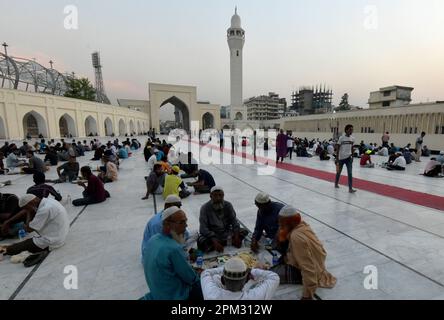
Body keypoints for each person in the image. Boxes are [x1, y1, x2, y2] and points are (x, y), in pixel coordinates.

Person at [141, 206, 203, 300]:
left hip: (157, 291)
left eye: (185, 221)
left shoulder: (153, 239)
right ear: (167, 224)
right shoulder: (173, 248)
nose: (186, 225)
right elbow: (190, 278)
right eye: (182, 222)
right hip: (174, 296)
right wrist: (200, 275)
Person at [276, 205, 336, 300]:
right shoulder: (302, 225)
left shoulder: (296, 237)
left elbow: (308, 267)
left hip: (310, 273)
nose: (280, 224)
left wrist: (307, 295)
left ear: (289, 222)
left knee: (272, 275)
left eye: (282, 222)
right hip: (319, 266)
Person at [1, 194, 69, 257]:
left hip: (52, 241)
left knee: (13, 249)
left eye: (26, 208)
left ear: (31, 203)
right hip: (59, 233)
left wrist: (29, 212)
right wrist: (8, 222)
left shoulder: (44, 210)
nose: (26, 210)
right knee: (24, 242)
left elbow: (29, 229)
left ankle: (7, 248)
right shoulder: (49, 201)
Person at [201, 257, 280, 300]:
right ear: (245, 281)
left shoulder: (211, 294)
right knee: (260, 280)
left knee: (214, 277)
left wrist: (225, 269)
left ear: (223, 280)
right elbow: (274, 277)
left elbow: (205, 273)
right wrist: (251, 270)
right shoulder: (255, 296)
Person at [197, 186, 247, 253]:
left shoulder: (228, 205)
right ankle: (224, 243)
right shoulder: (205, 208)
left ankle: (224, 243)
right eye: (215, 195)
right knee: (201, 242)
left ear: (223, 195)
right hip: (213, 235)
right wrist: (214, 241)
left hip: (227, 233)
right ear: (210, 196)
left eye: (220, 195)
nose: (218, 198)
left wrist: (236, 237)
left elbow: (234, 221)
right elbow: (203, 228)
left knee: (244, 231)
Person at [141, 195, 183, 260]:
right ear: (167, 206)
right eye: (178, 206)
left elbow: (184, 234)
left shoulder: (171, 216)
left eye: (180, 206)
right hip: (153, 254)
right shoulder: (157, 224)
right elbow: (157, 246)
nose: (179, 209)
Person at [334, 124, 357, 193]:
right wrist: (337, 158)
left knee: (350, 173)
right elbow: (337, 148)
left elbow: (352, 148)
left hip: (349, 158)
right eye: (350, 130)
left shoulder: (353, 138)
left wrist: (352, 156)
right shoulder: (341, 138)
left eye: (352, 130)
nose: (351, 131)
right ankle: (336, 183)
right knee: (338, 172)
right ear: (346, 130)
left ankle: (350, 188)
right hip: (341, 158)